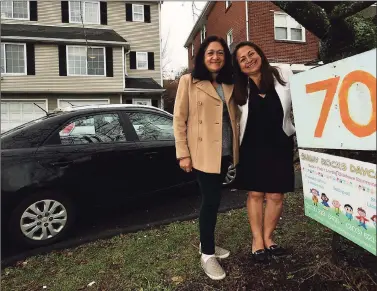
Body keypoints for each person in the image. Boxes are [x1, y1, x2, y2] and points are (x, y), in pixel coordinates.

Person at [173, 35, 239, 280]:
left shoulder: (229, 82)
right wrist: (183, 154)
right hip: (202, 154)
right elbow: (179, 119)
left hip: (224, 152)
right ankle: (207, 255)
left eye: (220, 53)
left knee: (215, 200)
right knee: (210, 201)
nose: (215, 57)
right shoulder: (188, 81)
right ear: (202, 57)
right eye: (210, 52)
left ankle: (205, 243)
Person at [232, 41, 295, 263]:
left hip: (280, 143)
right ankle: (257, 240)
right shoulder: (238, 87)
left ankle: (269, 238)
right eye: (242, 59)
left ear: (260, 53)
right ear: (239, 66)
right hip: (251, 146)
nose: (249, 60)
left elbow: (304, 96)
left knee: (276, 194)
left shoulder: (283, 73)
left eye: (252, 54)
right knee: (256, 194)